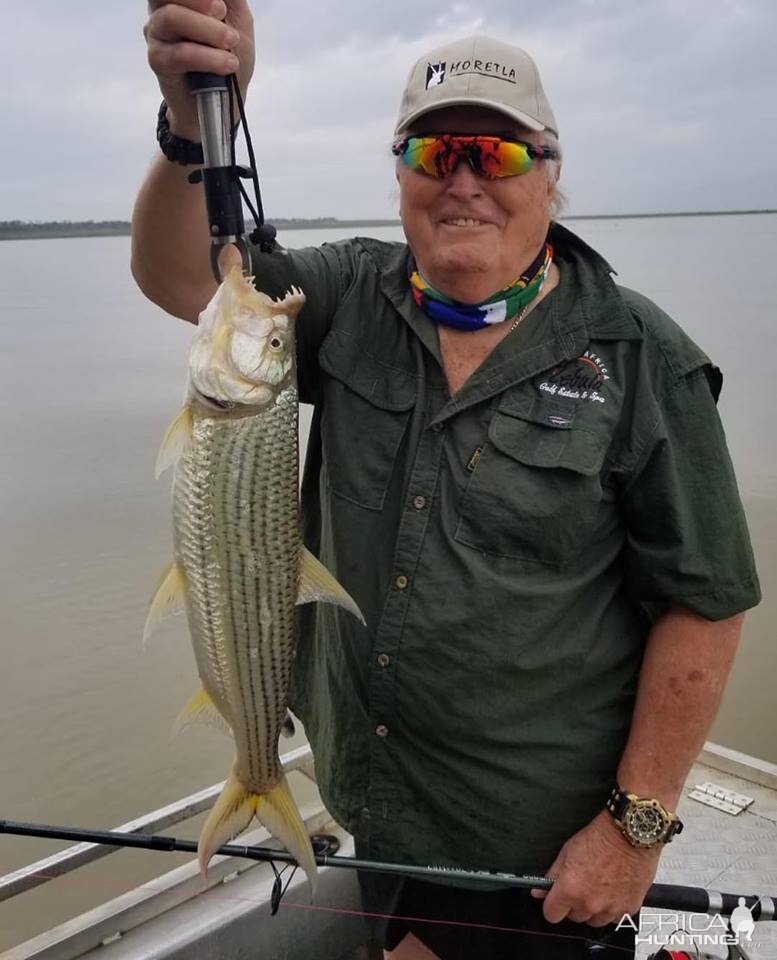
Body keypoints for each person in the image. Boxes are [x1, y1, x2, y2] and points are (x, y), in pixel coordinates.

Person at [134, 3, 761, 958]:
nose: (463, 178)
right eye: (434, 155)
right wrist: (192, 120)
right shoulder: (345, 296)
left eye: (497, 154)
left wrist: (634, 831)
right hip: (377, 801)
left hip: (540, 846)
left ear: (550, 175)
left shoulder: (641, 360)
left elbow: (705, 605)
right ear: (399, 178)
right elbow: (184, 277)